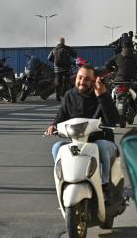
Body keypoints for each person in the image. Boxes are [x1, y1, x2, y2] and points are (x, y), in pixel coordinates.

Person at [46, 64, 120, 193]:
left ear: (93, 81)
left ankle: (105, 184)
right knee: (57, 147)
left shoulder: (102, 94)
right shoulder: (69, 95)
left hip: (102, 141)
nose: (82, 82)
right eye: (80, 78)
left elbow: (113, 120)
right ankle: (64, 180)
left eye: (86, 79)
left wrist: (102, 96)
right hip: (78, 142)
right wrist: (54, 125)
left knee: (100, 146)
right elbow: (61, 115)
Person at [48, 37, 78, 101]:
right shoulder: (67, 48)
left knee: (58, 82)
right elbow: (75, 54)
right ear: (64, 42)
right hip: (66, 68)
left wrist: (55, 62)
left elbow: (49, 58)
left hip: (57, 69)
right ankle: (64, 95)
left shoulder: (54, 49)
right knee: (66, 82)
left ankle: (57, 96)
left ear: (58, 42)